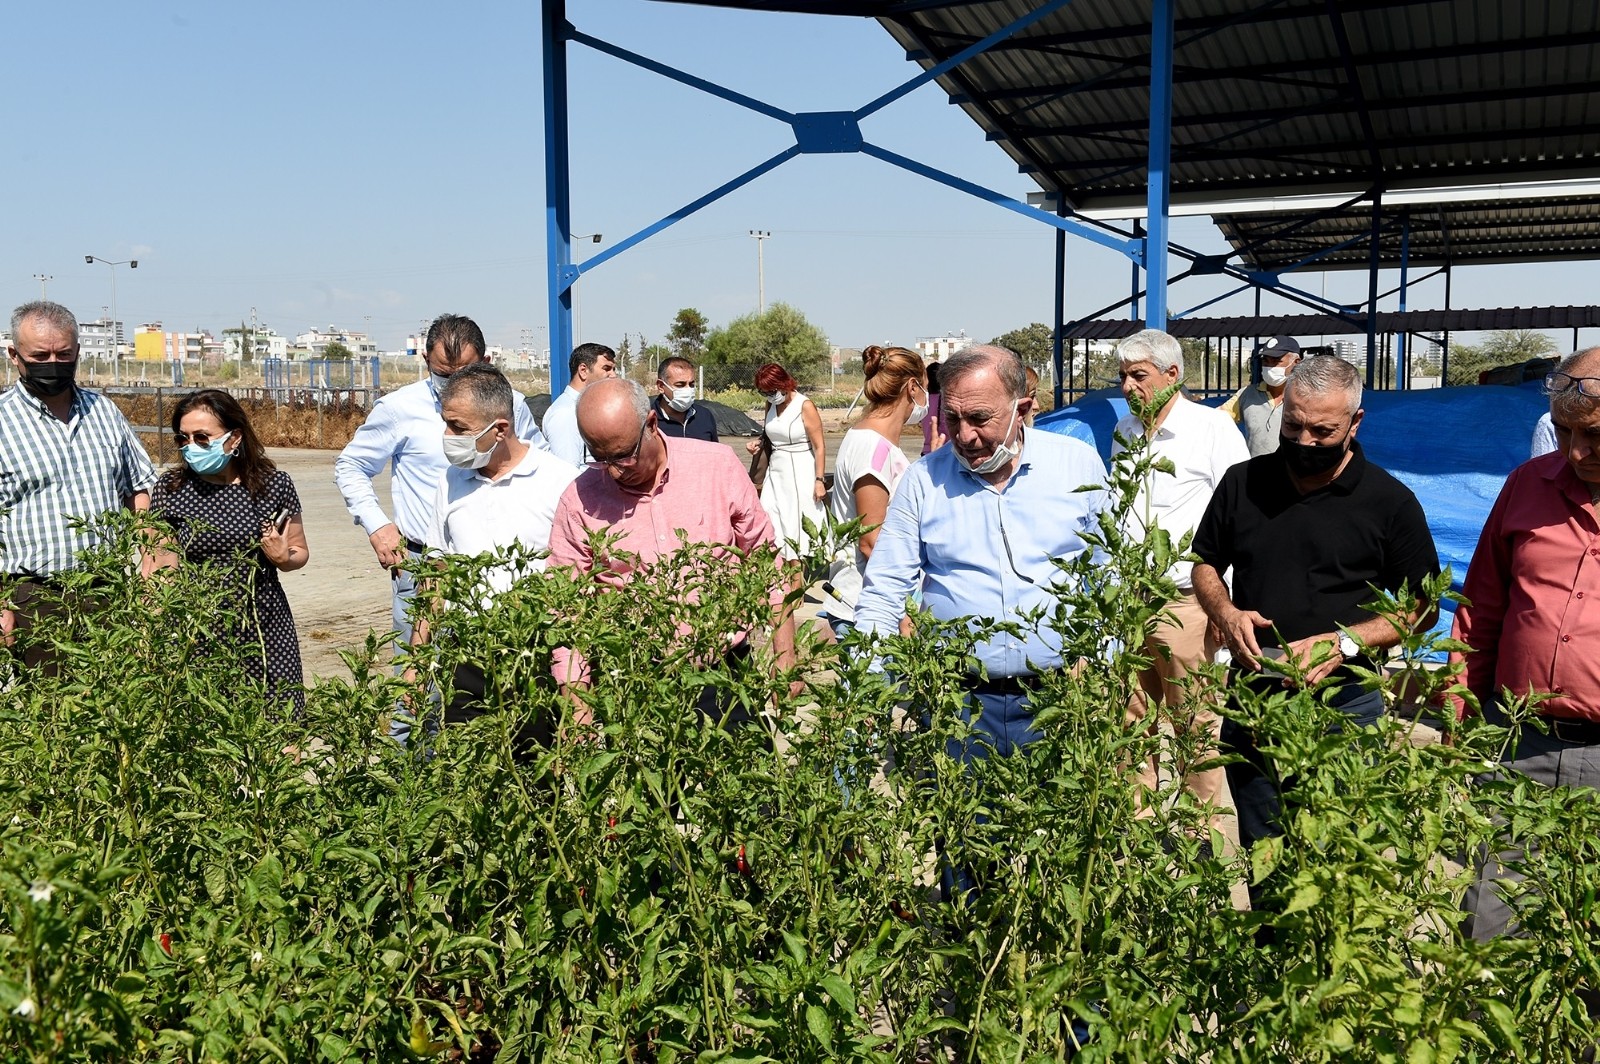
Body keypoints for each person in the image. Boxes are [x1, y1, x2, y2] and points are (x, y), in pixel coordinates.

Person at [1191, 355, 1439, 864]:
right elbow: (1206, 564)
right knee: (1263, 852)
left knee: (1333, 857)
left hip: (1342, 706)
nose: (1304, 443)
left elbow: (1424, 605)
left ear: (1356, 422)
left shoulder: (1388, 502)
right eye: (1294, 426)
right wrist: (1225, 612)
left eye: (1322, 431)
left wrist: (1344, 642)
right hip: (1254, 700)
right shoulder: (1244, 483)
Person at [854, 345, 1109, 762]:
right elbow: (884, 589)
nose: (965, 436)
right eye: (952, 419)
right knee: (962, 825)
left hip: (1061, 698)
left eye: (980, 419)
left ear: (1021, 408)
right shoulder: (923, 481)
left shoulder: (1076, 466)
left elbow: (1109, 572)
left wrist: (1100, 659)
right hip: (958, 704)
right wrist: (865, 684)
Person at [1453, 347, 1600, 941]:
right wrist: (1459, 707)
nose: (1575, 453)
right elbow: (1481, 607)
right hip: (1521, 743)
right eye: (1563, 433)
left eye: (1592, 436)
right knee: (1491, 922)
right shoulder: (1526, 485)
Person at [546, 378, 796, 727]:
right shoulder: (579, 500)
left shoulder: (716, 466)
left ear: (650, 424)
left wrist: (785, 657)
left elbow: (764, 557)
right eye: (599, 457)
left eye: (622, 455)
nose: (614, 471)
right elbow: (567, 610)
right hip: (634, 683)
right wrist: (578, 711)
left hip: (723, 673)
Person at [334, 313, 543, 650]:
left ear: (487, 363)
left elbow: (537, 462)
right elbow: (351, 466)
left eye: (466, 373)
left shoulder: (512, 404)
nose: (455, 384)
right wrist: (378, 526)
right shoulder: (398, 409)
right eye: (444, 376)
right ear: (425, 360)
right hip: (422, 562)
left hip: (499, 561)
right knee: (421, 678)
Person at [1110, 330, 1248, 818]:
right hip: (1130, 598)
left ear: (1173, 375)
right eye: (1123, 375)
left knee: (1194, 722)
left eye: (1138, 375)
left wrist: (1222, 604)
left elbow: (1240, 517)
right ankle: (1138, 822)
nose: (1128, 386)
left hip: (1186, 599)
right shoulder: (1126, 431)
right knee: (1129, 716)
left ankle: (1197, 833)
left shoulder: (1212, 430)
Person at [409, 364, 581, 747]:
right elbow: (437, 574)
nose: (447, 437)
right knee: (471, 778)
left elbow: (579, 583)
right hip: (468, 658)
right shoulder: (451, 481)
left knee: (535, 778)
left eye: (458, 428)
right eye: (446, 424)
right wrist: (417, 664)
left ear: (500, 429)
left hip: (536, 658)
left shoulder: (560, 483)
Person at [1, 301, 156, 670]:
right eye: (40, 354)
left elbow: (138, 489)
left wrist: (151, 558)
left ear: (77, 353)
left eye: (63, 353)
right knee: (53, 713)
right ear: (14, 355)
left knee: (122, 706)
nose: (53, 363)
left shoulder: (103, 411)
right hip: (33, 598)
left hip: (108, 590)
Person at [148, 389, 310, 712]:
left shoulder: (273, 485)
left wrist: (282, 557)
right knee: (208, 728)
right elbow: (158, 568)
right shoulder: (172, 489)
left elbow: (299, 551)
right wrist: (152, 630)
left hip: (266, 628)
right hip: (199, 628)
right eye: (184, 439)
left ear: (234, 438)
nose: (191, 447)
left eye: (203, 438)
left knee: (281, 723)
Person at [825, 345, 926, 636]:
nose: (926, 401)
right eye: (926, 389)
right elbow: (871, 541)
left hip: (876, 605)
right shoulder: (873, 450)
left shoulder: (873, 440)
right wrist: (906, 607)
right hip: (869, 609)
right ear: (911, 387)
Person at [746, 363, 826, 561]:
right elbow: (769, 435)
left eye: (772, 390)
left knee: (796, 527)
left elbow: (819, 446)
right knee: (772, 519)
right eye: (764, 392)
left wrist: (819, 480)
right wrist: (757, 443)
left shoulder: (804, 406)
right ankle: (779, 583)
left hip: (801, 470)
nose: (770, 396)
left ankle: (797, 587)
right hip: (776, 471)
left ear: (784, 383)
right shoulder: (770, 405)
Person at [1220, 335, 1302, 456]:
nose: (1269, 367)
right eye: (1266, 361)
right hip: (1254, 472)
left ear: (1296, 362)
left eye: (1276, 361)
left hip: (1294, 473)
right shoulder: (1247, 394)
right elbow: (1217, 418)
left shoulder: (1306, 397)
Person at [542, 343, 618, 465]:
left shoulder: (590, 408)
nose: (613, 375)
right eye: (606, 369)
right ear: (583, 371)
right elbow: (568, 473)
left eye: (614, 369)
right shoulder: (565, 413)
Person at [652, 356, 718, 443]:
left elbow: (714, 453)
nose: (687, 389)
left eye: (691, 384)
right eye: (680, 385)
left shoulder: (705, 416)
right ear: (661, 386)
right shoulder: (648, 420)